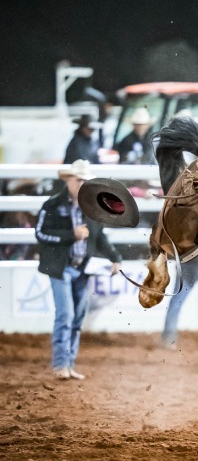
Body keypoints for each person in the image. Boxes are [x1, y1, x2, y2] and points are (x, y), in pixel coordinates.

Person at [35, 159, 122, 380]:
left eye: (84, 179)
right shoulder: (53, 205)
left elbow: (99, 236)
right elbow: (40, 234)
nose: (81, 183)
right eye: (78, 179)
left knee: (76, 318)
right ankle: (61, 364)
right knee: (66, 315)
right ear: (69, 181)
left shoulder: (91, 207)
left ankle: (68, 364)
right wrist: (70, 235)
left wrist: (115, 257)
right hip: (61, 267)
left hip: (82, 267)